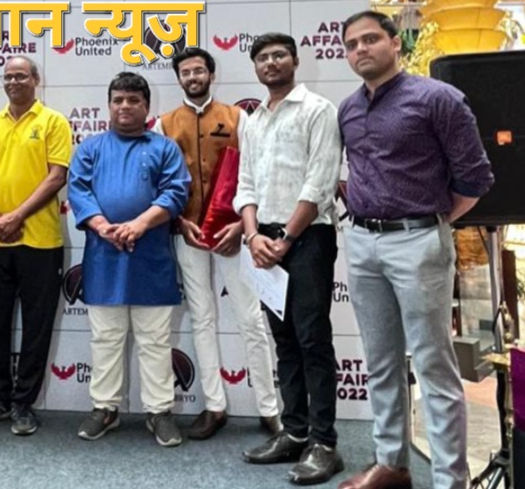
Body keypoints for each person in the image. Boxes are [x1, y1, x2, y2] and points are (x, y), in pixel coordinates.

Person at [337, 11, 493, 489]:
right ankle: (391, 464)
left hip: (418, 241)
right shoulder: (348, 109)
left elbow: (475, 178)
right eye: (351, 44)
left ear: (395, 43)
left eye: (370, 39)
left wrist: (431, 223)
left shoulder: (437, 98)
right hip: (362, 242)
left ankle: (450, 480)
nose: (360, 50)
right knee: (380, 361)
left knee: (433, 366)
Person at [153, 47, 281, 440]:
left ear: (211, 74)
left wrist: (243, 227)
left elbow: (256, 174)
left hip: (233, 235)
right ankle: (214, 406)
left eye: (198, 70)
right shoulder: (164, 124)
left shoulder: (238, 117)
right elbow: (158, 181)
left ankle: (270, 409)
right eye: (185, 72)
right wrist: (179, 221)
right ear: (179, 79)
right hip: (188, 232)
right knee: (202, 318)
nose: (192, 77)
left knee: (251, 319)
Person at [233, 33, 344, 485]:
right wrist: (253, 235)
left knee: (312, 339)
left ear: (295, 61)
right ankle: (294, 432)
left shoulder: (318, 110)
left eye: (279, 55)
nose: (271, 62)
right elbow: (245, 184)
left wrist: (286, 238)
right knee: (284, 341)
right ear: (255, 67)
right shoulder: (253, 119)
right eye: (262, 57)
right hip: (264, 239)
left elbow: (321, 181)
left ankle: (324, 443)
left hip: (308, 237)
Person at [69, 72, 190, 447]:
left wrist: (139, 224)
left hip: (150, 256)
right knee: (106, 338)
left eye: (133, 100)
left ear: (146, 106)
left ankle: (159, 411)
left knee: (155, 340)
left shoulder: (165, 148)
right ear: (109, 105)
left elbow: (176, 192)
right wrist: (102, 225)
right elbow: (78, 189)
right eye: (118, 99)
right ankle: (105, 408)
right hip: (104, 255)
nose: (125, 106)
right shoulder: (90, 148)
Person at [0, 56, 71, 435]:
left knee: (36, 326)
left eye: (21, 76)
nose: (13, 82)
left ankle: (24, 403)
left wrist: (16, 216)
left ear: (35, 79)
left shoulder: (53, 122)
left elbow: (56, 177)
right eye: (8, 76)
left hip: (41, 240)